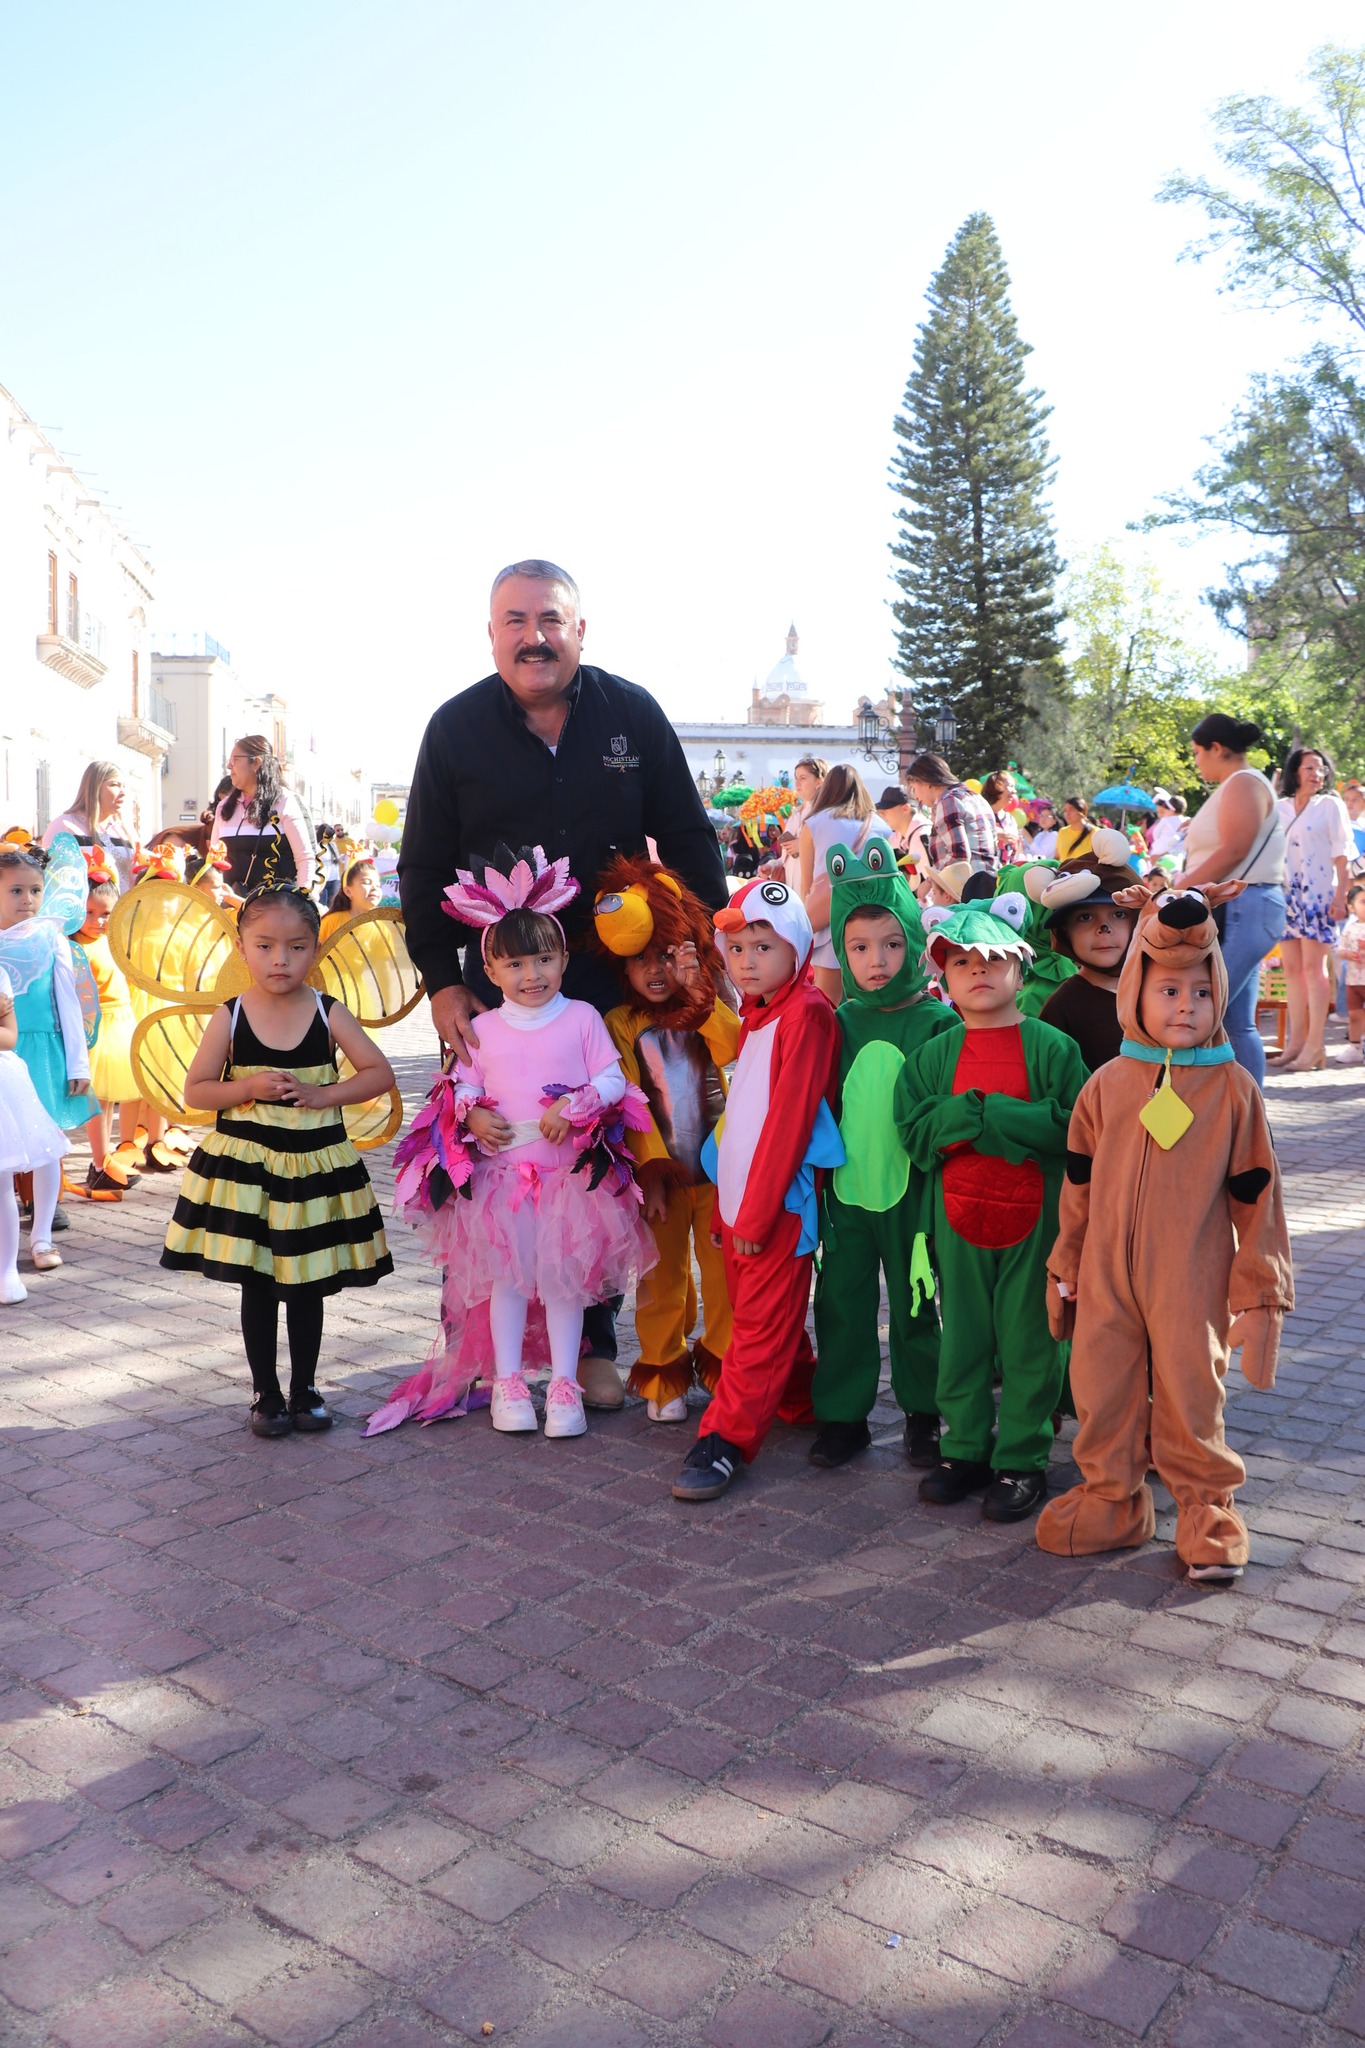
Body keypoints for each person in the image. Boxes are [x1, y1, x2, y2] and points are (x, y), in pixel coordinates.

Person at [399, 560, 728, 1412]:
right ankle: (499, 1347)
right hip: (500, 995)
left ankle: (590, 1347)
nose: (532, 636)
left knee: (602, 1161)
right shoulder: (455, 729)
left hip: (613, 991)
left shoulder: (632, 714)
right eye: (514, 620)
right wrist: (441, 983)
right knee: (503, 1159)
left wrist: (709, 954)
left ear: (581, 630)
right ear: (491, 633)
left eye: (549, 619)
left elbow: (689, 839)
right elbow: (423, 866)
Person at [1036, 884, 1294, 1582]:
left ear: (1219, 996)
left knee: (1189, 1391)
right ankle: (1112, 1501)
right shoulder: (1108, 1084)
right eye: (1169, 991)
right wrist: (1067, 1260)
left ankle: (1206, 1509)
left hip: (1190, 1277)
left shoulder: (1233, 1088)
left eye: (1200, 993)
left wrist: (1261, 1295)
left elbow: (1258, 1200)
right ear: (1135, 994)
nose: (1185, 1006)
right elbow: (1078, 1184)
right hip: (1105, 1280)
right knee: (1101, 1387)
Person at [383, 848, 655, 1440]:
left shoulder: (581, 1017)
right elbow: (461, 1086)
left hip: (568, 1182)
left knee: (563, 1285)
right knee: (506, 1283)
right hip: (503, 1182)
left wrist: (573, 1104)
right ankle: (508, 1382)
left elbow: (612, 1079)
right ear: (491, 969)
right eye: (515, 965)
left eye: (544, 960)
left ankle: (563, 1384)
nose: (531, 976)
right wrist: (475, 1116)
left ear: (562, 959)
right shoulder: (483, 1028)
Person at [161, 884, 394, 1435]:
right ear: (242, 947)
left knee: (306, 1282)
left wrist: (322, 1095)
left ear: (316, 949)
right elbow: (196, 1091)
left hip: (312, 1171)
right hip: (248, 1176)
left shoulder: (327, 1012)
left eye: (296, 946)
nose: (280, 959)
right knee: (259, 1284)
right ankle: (265, 1392)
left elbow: (377, 1074)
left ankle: (306, 1387)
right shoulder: (232, 1015)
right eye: (265, 946)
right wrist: (246, 1087)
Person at [895, 894, 1087, 1522]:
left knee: (1033, 1341)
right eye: (960, 963)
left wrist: (988, 1115)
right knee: (963, 1341)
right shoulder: (931, 1056)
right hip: (956, 1222)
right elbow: (915, 1130)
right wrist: (963, 1115)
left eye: (991, 960)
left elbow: (1077, 1129)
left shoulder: (1053, 1049)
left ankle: (1023, 1458)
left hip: (1038, 1225)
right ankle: (965, 1449)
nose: (977, 972)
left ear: (1020, 970)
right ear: (944, 978)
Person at [671, 878, 841, 1501]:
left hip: (775, 1209)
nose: (747, 961)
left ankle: (725, 1441)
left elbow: (790, 1122)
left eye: (763, 948)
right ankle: (802, 1400)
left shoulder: (807, 1014)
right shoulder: (759, 1013)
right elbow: (744, 1116)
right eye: (736, 949)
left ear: (796, 949)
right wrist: (730, 1206)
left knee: (759, 1331)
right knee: (759, 1321)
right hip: (743, 1201)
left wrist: (757, 1214)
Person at [809, 840, 957, 1471]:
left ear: (914, 946)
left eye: (892, 945)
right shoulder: (836, 1021)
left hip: (914, 1195)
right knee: (840, 1303)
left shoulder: (937, 1025)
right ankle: (844, 1416)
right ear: (842, 948)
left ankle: (925, 1413)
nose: (876, 961)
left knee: (918, 1302)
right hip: (846, 1193)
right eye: (861, 947)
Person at [596, 856, 738, 1420]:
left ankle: (726, 1366)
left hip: (720, 1173)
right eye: (639, 959)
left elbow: (735, 1050)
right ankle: (663, 1371)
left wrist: (699, 995)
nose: (654, 971)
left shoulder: (706, 1008)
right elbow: (630, 1105)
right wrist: (650, 1172)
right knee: (662, 1278)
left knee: (726, 1276)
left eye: (665, 956)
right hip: (665, 1181)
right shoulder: (621, 1025)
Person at [1178, 713, 1286, 1087]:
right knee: (1236, 1022)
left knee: (1208, 1010)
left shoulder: (1242, 782)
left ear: (1217, 749)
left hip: (1247, 906)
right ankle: (1248, 1117)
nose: (1196, 761)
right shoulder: (1237, 784)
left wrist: (1178, 889)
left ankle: (1232, 1115)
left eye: (1197, 753)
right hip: (1244, 907)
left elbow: (1235, 849)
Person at [0, 845, 91, 1270]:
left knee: (47, 1147)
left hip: (43, 1052)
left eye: (35, 890)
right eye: (16, 890)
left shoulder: (50, 938)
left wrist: (78, 1064)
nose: (28, 900)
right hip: (3, 1054)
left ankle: (40, 1237)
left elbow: (69, 1003)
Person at [1271, 746, 1352, 1073]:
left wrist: (1341, 896)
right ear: (1295, 772)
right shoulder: (1279, 808)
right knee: (1291, 971)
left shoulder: (1330, 805)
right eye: (1309, 768)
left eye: (1320, 769)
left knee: (1312, 969)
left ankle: (1316, 1046)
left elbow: (1342, 854)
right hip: (1286, 894)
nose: (1316, 774)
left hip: (1319, 895)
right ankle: (1296, 1042)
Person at [75, 859, 148, 1197]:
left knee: (106, 1102)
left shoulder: (112, 940)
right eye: (89, 913)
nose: (96, 921)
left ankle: (102, 1161)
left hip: (120, 1022)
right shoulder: (76, 947)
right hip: (97, 1027)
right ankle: (100, 1163)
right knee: (97, 1100)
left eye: (104, 914)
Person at [1037, 849, 1145, 1071]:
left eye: (1119, 914)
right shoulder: (1061, 1009)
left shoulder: (1163, 988)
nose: (1103, 929)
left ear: (1139, 920)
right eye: (1085, 917)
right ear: (1065, 930)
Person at [799, 764, 895, 1005]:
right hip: (874, 919)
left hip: (831, 920)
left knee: (828, 1000)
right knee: (870, 998)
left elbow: (807, 884)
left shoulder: (815, 823)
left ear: (828, 788)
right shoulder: (880, 826)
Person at [213, 736, 316, 898]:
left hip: (276, 911)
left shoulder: (285, 802)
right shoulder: (223, 807)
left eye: (235, 760)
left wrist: (302, 902)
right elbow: (214, 861)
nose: (228, 765)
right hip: (230, 913)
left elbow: (306, 859)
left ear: (256, 763)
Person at [43, 761, 137, 894]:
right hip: (83, 911)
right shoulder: (64, 825)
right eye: (115, 785)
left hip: (124, 910)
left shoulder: (125, 830)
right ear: (94, 787)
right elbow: (50, 876)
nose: (123, 793)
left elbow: (135, 876)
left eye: (124, 786)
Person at [905, 755, 1000, 876]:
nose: (916, 796)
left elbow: (959, 856)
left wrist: (934, 880)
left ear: (925, 782)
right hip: (986, 882)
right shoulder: (977, 798)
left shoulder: (948, 801)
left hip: (965, 888)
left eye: (914, 788)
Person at [773, 757, 826, 890]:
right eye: (796, 778)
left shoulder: (827, 814)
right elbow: (789, 856)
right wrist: (773, 865)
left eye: (803, 778)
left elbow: (834, 848)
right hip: (794, 892)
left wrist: (804, 845)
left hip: (815, 892)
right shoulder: (796, 814)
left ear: (818, 782)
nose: (797, 784)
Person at [320, 855, 383, 941]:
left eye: (378, 885)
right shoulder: (332, 922)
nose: (374, 888)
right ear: (348, 891)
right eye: (367, 882)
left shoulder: (382, 928)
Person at [1338, 881, 1365, 1063]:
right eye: (1363, 902)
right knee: (1354, 1014)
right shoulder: (1349, 927)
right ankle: (1355, 1046)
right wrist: (1348, 953)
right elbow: (1339, 949)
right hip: (1353, 980)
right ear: (1352, 907)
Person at [981, 771, 1024, 861]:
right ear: (997, 786)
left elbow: (1017, 852)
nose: (1014, 791)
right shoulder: (979, 815)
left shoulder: (1010, 820)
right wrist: (994, 833)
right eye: (1011, 786)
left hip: (1006, 872)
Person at [1149, 792, 1188, 861]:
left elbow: (1156, 832)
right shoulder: (1185, 821)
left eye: (1165, 810)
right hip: (1176, 848)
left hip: (1162, 845)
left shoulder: (1165, 819)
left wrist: (1157, 841)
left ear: (1171, 809)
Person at [1054, 798, 1095, 863]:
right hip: (1063, 871)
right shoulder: (1062, 831)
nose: (1067, 813)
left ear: (1082, 812)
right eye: (1065, 810)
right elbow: (1057, 856)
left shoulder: (1095, 833)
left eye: (1071, 809)